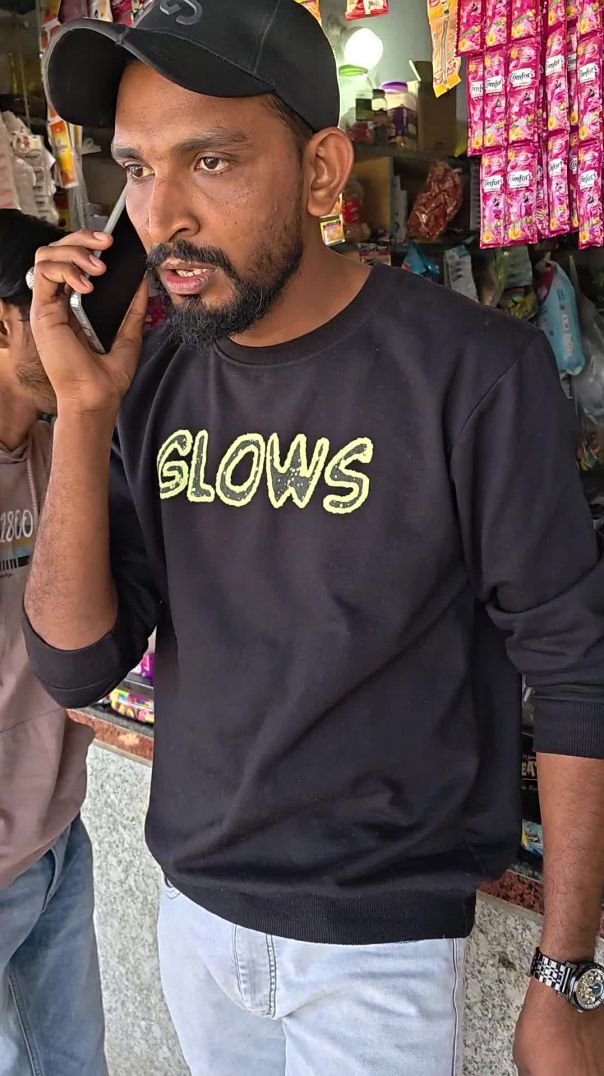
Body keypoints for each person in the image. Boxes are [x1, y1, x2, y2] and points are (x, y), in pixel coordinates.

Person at [23, 2, 604, 1074]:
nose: (163, 214)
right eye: (137, 169)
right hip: (196, 913)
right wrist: (84, 410)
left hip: (377, 947)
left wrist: (566, 975)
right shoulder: (155, 378)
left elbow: (575, 667)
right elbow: (76, 662)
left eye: (211, 160)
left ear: (323, 172)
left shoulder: (472, 373)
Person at [0, 209, 106, 1075]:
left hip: (57, 840)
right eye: (56, 307)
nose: (76, 332)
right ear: (6, 321)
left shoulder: (59, 447)